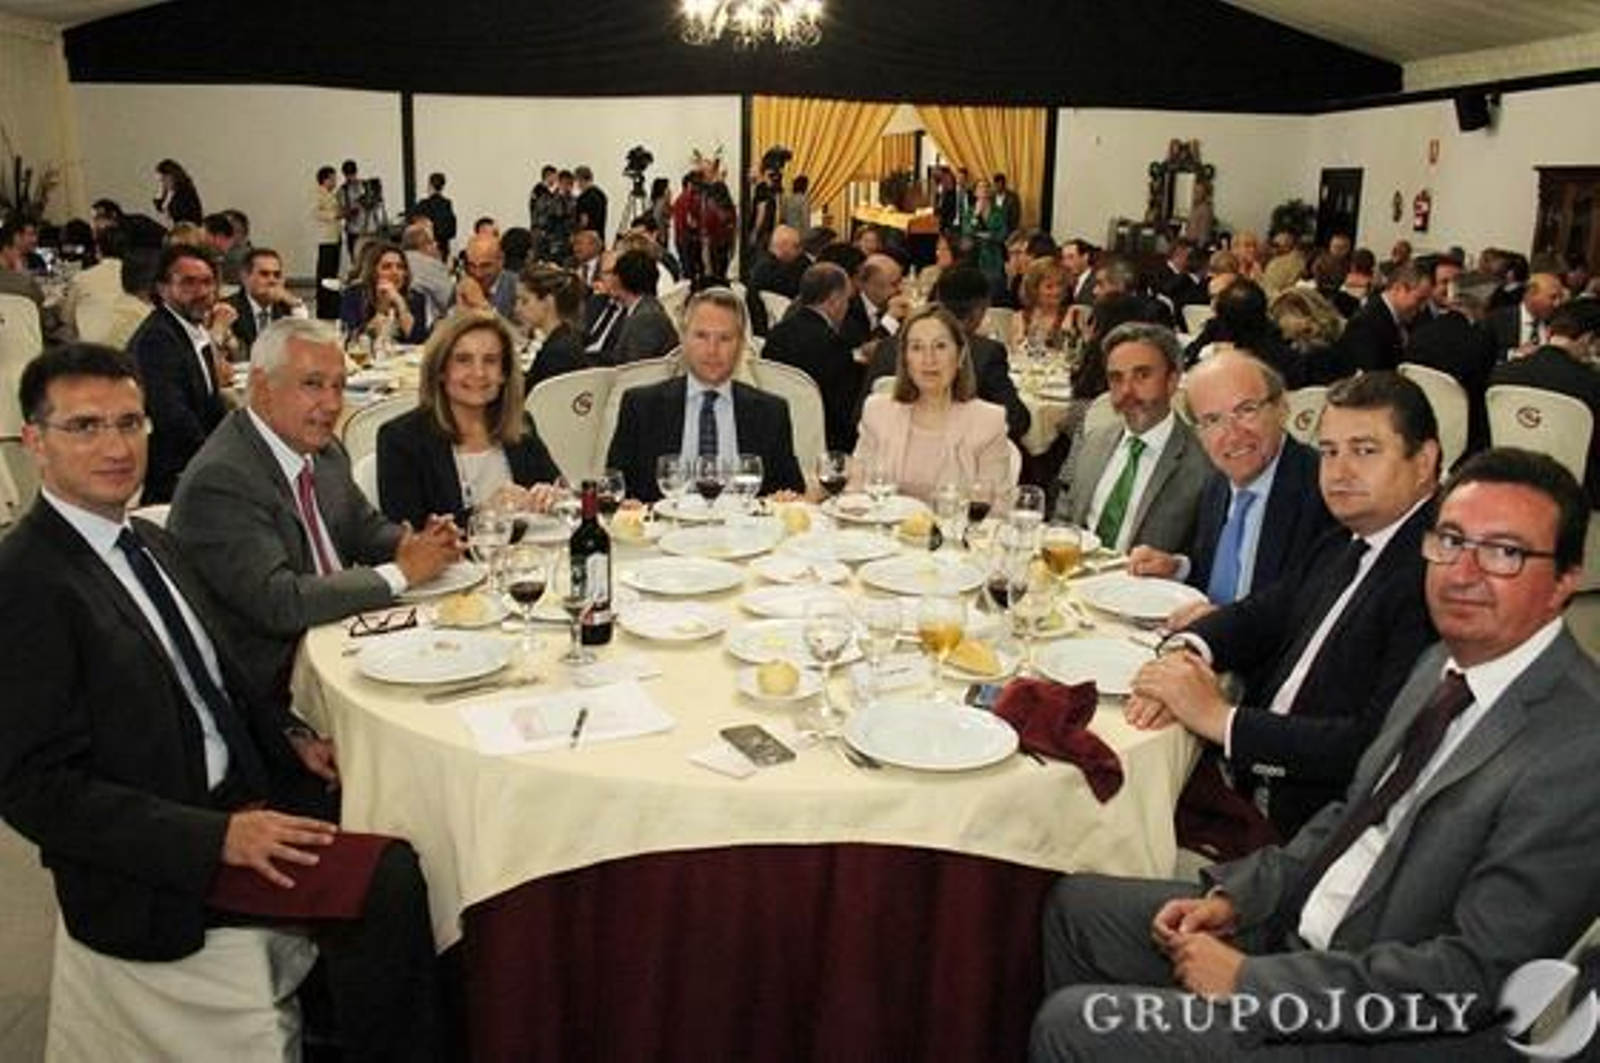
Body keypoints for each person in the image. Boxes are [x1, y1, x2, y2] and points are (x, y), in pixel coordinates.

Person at [1031, 446, 1599, 1062]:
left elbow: (1478, 978)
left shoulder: (1577, 748)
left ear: (1565, 581)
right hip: (1309, 934)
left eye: (1504, 552)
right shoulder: (1443, 664)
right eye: (1451, 540)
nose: (1462, 572)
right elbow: (1349, 817)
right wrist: (1238, 899)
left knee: (1070, 1025)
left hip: (1384, 1026)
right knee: (1077, 908)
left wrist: (1253, 984)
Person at [0, 343, 442, 1061]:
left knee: (409, 800)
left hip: (241, 782)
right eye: (84, 426)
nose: (116, 447)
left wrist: (291, 737)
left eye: (130, 422)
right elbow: (35, 789)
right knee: (387, 880)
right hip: (161, 856)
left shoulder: (147, 539)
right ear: (35, 442)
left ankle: (343, 1010)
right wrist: (216, 838)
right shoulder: (26, 581)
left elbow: (216, 676)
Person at [1133, 371, 1440, 852]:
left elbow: (1370, 746)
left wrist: (1221, 720)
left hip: (1300, 828)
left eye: (1364, 451)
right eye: (1330, 451)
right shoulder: (1350, 538)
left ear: (1423, 462)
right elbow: (1266, 611)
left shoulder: (1435, 578)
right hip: (1248, 772)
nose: (1339, 472)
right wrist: (1187, 651)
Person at [168, 318, 462, 708]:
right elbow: (281, 601)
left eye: (338, 386)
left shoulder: (321, 450)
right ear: (262, 387)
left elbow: (362, 528)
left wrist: (418, 544)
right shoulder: (223, 479)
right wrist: (402, 572)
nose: (333, 404)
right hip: (280, 687)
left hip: (347, 635)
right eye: (313, 384)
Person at [1128, 350, 1334, 606]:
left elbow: (1302, 606)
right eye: (1213, 420)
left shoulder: (1324, 490)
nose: (1233, 435)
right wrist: (1177, 568)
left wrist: (1219, 622)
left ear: (1281, 408)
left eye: (1246, 410)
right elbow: (1222, 574)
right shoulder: (1216, 482)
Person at [605, 287, 804, 503]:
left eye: (725, 338)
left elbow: (791, 491)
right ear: (683, 339)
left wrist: (785, 501)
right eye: (701, 336)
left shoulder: (771, 412)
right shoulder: (641, 407)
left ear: (740, 345)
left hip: (742, 523)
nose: (712, 350)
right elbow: (615, 487)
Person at [377, 311, 559, 529]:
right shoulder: (401, 439)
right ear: (440, 370)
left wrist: (549, 496)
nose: (479, 372)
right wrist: (484, 513)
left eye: (490, 360)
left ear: (504, 373)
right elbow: (409, 535)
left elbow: (557, 488)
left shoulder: (520, 426)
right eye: (463, 360)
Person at [1054, 323, 1210, 554]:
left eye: (1142, 375)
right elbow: (1063, 518)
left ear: (1172, 381)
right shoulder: (1093, 441)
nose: (1127, 390)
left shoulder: (1204, 462)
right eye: (1116, 378)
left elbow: (1204, 555)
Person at [851, 305, 1014, 502]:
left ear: (960, 356)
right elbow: (856, 491)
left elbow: (997, 509)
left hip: (955, 523)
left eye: (940, 346)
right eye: (917, 348)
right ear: (905, 359)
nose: (929, 359)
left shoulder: (988, 422)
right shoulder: (877, 412)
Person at [126, 243, 236, 503]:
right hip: (173, 479)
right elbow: (174, 420)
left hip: (196, 466)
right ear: (162, 288)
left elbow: (211, 406)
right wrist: (222, 462)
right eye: (188, 283)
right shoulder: (157, 339)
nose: (202, 292)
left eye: (208, 282)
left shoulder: (191, 330)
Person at [1489, 300, 1600, 506]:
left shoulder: (1502, 373)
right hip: (1575, 493)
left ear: (1549, 332)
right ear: (1588, 339)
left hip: (1510, 478)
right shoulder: (1592, 385)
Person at [762, 261, 862, 452]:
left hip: (777, 434)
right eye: (846, 300)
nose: (847, 307)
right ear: (834, 300)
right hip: (823, 442)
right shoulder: (832, 345)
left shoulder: (776, 334)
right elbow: (846, 412)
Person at [517, 262, 592, 388]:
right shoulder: (565, 337)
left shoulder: (557, 354)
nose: (517, 308)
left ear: (548, 302)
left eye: (524, 301)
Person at [599, 247, 679, 365]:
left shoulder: (646, 319)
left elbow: (635, 370)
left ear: (619, 280)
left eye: (613, 274)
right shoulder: (644, 307)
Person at [339, 242, 428, 344]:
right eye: (386, 267)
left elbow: (417, 341)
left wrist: (400, 303)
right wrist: (382, 308)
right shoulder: (354, 294)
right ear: (373, 272)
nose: (395, 272)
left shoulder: (416, 298)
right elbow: (351, 337)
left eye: (400, 267)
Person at [227, 247, 309, 358]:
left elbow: (303, 347)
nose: (272, 280)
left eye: (277, 275)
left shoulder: (288, 309)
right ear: (245, 277)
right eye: (264, 274)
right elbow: (240, 354)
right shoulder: (229, 309)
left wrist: (294, 303)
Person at [1009, 257, 1072, 353]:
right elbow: (1015, 352)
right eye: (1049, 287)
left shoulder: (1073, 315)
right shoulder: (1019, 318)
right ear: (1034, 289)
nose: (1056, 291)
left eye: (1060, 284)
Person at [454, 231, 519, 319]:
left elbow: (515, 327)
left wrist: (481, 303)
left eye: (485, 266)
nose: (478, 273)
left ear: (501, 261)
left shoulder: (517, 287)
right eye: (472, 265)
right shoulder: (463, 283)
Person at [959, 179, 1008, 287]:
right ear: (975, 192)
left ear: (990, 191)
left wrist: (990, 236)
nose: (984, 189)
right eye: (980, 187)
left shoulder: (998, 211)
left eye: (986, 186)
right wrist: (976, 215)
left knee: (993, 287)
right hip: (974, 257)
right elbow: (967, 231)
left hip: (993, 258)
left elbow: (1003, 234)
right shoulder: (969, 212)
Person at [312, 164, 342, 319]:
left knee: (332, 273)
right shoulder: (318, 194)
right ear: (325, 179)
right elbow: (315, 212)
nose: (335, 181)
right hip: (326, 239)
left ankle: (331, 304)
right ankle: (324, 307)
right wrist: (336, 215)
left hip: (334, 237)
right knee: (325, 273)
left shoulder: (331, 194)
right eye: (333, 178)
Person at [411, 171, 457, 259]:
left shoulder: (423, 204)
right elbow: (452, 232)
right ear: (443, 187)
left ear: (430, 185)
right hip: (442, 248)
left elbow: (414, 225)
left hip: (426, 248)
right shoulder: (447, 204)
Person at [154, 158, 202, 225]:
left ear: (171, 176)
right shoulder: (170, 191)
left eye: (163, 180)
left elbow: (177, 213)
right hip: (176, 227)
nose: (163, 183)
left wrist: (168, 199)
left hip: (186, 228)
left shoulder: (185, 191)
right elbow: (159, 207)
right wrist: (161, 190)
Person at [572, 165, 608, 239]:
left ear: (580, 180)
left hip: (586, 239)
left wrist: (574, 231)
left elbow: (584, 222)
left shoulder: (584, 199)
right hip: (598, 237)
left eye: (577, 180)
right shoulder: (600, 195)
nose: (576, 184)